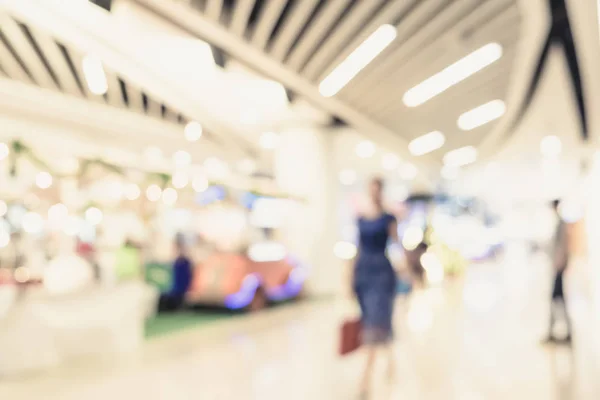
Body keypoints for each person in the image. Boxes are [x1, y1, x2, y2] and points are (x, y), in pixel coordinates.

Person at [353, 178, 399, 397]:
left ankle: (364, 381)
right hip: (363, 274)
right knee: (374, 321)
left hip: (382, 273)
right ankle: (390, 360)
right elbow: (357, 247)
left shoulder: (389, 218)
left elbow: (397, 244)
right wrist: (348, 278)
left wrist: (408, 269)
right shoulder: (361, 218)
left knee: (374, 322)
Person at [544, 199, 572, 344]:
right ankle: (555, 331)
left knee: (556, 299)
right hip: (558, 267)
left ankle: (560, 332)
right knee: (557, 300)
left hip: (559, 268)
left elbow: (564, 245)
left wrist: (561, 263)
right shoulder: (559, 223)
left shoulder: (562, 224)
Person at [158, 235, 193, 312]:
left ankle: (180, 306)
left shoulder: (185, 261)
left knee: (181, 294)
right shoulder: (176, 261)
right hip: (176, 283)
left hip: (182, 282)